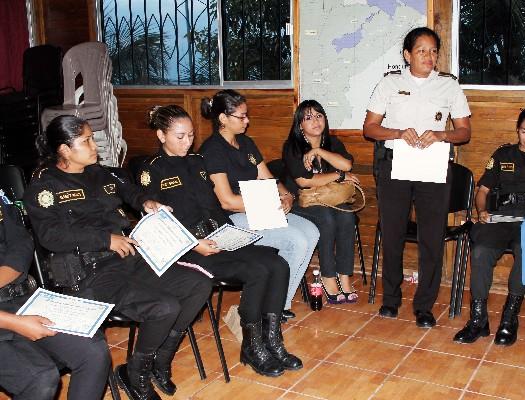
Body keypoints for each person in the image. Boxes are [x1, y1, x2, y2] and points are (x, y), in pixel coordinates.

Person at [23, 115, 212, 400]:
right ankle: (135, 373)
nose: (94, 145)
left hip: (127, 257)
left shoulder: (97, 171)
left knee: (197, 284)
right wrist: (104, 239)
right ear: (64, 149)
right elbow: (50, 236)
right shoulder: (45, 186)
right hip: (89, 274)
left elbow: (128, 189)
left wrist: (145, 201)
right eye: (85, 140)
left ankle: (154, 361)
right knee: (164, 307)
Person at [138, 104, 302, 377]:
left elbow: (214, 207)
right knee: (257, 270)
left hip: (220, 237)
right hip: (191, 249)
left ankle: (272, 341)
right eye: (180, 137)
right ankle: (252, 347)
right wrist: (194, 243)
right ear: (161, 136)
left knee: (278, 263)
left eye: (191, 135)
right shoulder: (151, 170)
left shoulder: (197, 162)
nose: (187, 142)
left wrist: (233, 233)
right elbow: (158, 225)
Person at [363, 27, 472, 328]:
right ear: (407, 55)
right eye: (422, 50)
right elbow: (369, 128)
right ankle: (391, 299)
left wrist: (441, 134)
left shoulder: (449, 87)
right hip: (395, 164)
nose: (429, 56)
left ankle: (424, 305)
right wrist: (398, 132)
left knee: (432, 238)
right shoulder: (389, 83)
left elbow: (464, 132)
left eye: (434, 51)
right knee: (393, 233)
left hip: (433, 167)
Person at [199, 90, 319, 320]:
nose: (247, 121)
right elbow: (227, 201)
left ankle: (278, 303)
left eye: (247, 116)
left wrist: (286, 196)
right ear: (223, 119)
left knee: (311, 231)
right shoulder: (212, 150)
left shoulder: (246, 142)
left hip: (260, 209)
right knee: (295, 240)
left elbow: (267, 178)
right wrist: (268, 202)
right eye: (241, 117)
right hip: (230, 218)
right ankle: (271, 307)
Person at [454, 106, 525, 346]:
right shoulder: (503, 154)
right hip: (498, 218)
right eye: (524, 131)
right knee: (481, 250)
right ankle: (478, 319)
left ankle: (509, 319)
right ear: (517, 129)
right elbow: (482, 191)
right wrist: (481, 211)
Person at [0, 196, 110, 400]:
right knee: (40, 378)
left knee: (93, 352)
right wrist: (13, 322)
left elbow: (21, 244)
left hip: (21, 299)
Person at [283, 100, 359, 304]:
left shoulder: (333, 143)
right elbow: (304, 181)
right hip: (302, 203)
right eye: (308, 118)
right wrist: (339, 176)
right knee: (325, 218)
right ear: (300, 125)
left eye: (319, 116)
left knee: (346, 215)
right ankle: (328, 275)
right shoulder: (293, 147)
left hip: (329, 198)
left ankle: (344, 275)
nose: (315, 121)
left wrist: (319, 152)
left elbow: (347, 164)